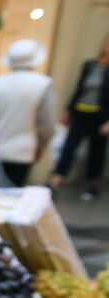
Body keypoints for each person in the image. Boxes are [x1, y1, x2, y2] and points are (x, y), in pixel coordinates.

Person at [0, 39, 56, 187]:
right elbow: (46, 125)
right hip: (22, 152)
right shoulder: (42, 84)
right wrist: (41, 146)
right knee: (12, 198)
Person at [50, 32, 109, 201]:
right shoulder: (90, 65)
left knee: (96, 152)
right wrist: (69, 110)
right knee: (68, 148)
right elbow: (79, 89)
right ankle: (55, 181)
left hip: (100, 116)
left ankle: (93, 184)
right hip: (81, 112)